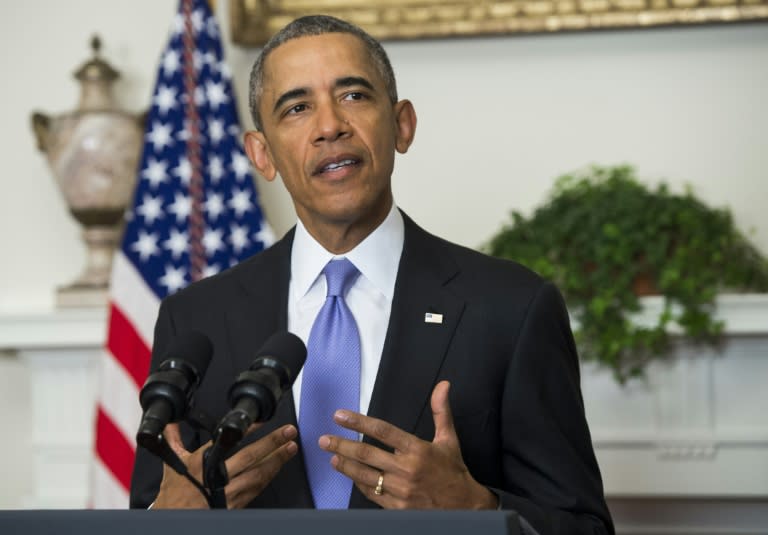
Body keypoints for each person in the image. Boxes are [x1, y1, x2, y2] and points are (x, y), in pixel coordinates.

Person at [130, 14, 614, 535]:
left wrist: (477, 509)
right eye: (296, 108)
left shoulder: (512, 308)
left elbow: (583, 527)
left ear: (401, 124)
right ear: (261, 154)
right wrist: (166, 520)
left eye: (354, 96)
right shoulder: (196, 318)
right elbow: (152, 511)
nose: (330, 126)